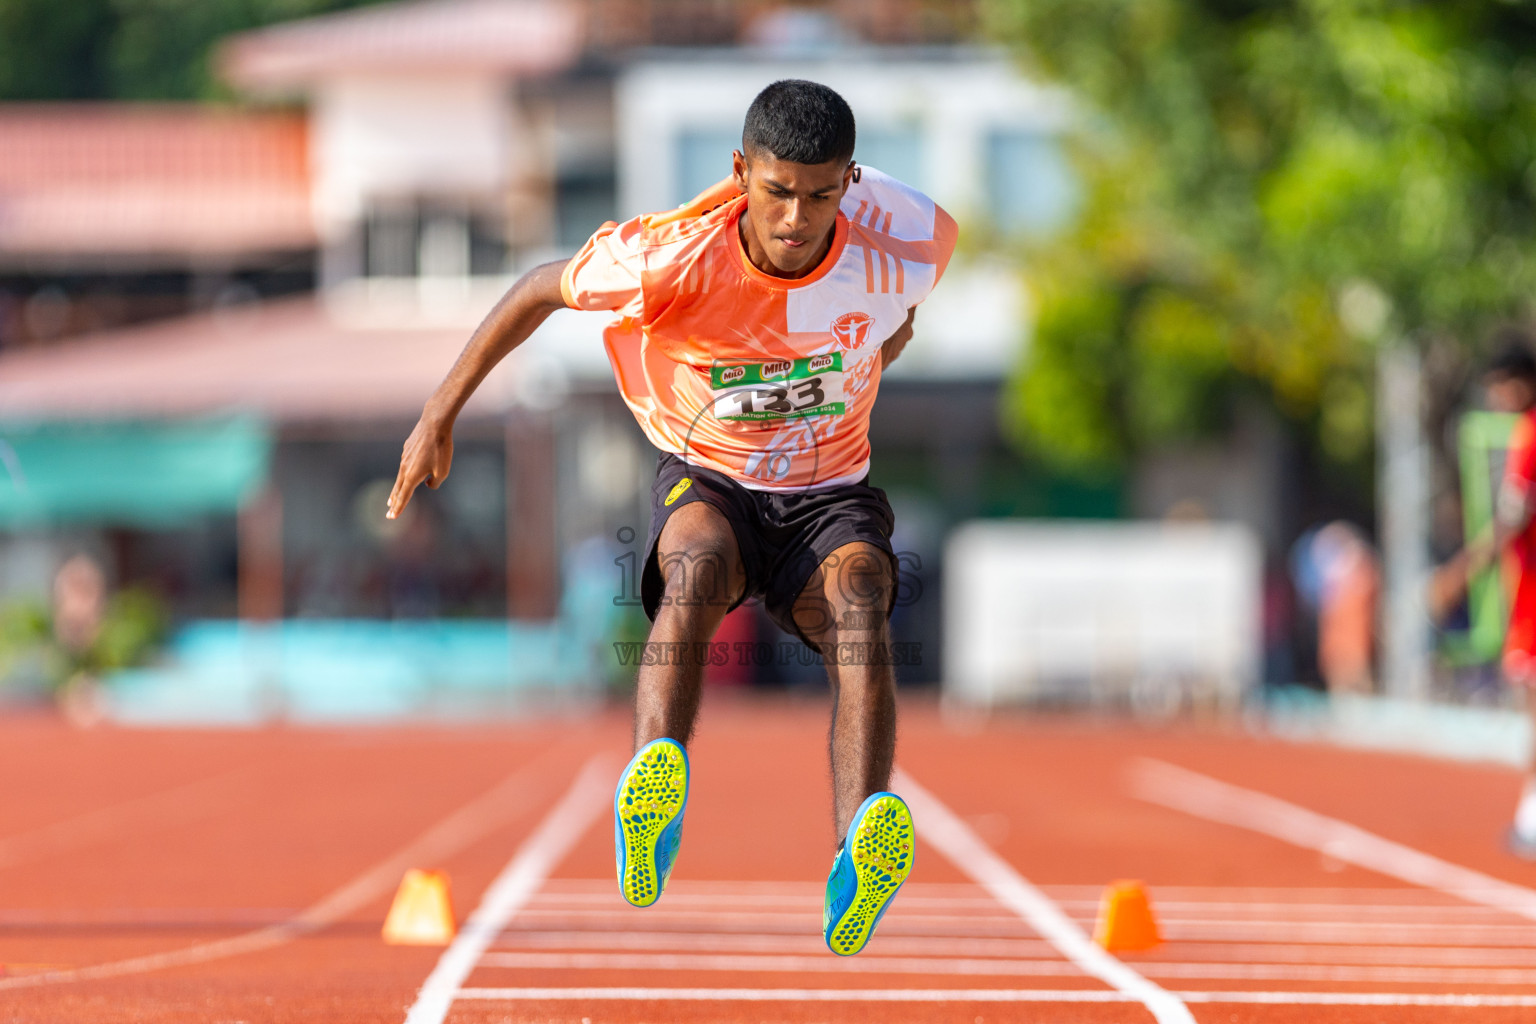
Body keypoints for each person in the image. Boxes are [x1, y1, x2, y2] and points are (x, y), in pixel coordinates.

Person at [387, 80, 956, 952]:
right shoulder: (670, 258)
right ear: (741, 173)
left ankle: (857, 851)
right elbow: (538, 288)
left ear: (849, 181)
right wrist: (439, 413)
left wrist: (875, 350)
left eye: (819, 194)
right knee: (691, 566)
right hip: (712, 474)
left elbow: (900, 312)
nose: (797, 218)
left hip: (829, 491)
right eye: (776, 192)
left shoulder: (910, 238)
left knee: (861, 606)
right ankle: (653, 789)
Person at [1429, 330, 1536, 858]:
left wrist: (1459, 573)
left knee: (1533, 704)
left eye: (1497, 386)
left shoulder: (1530, 436)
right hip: (1527, 594)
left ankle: (1533, 817)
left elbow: (1514, 520)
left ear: (1517, 383)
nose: (1494, 397)